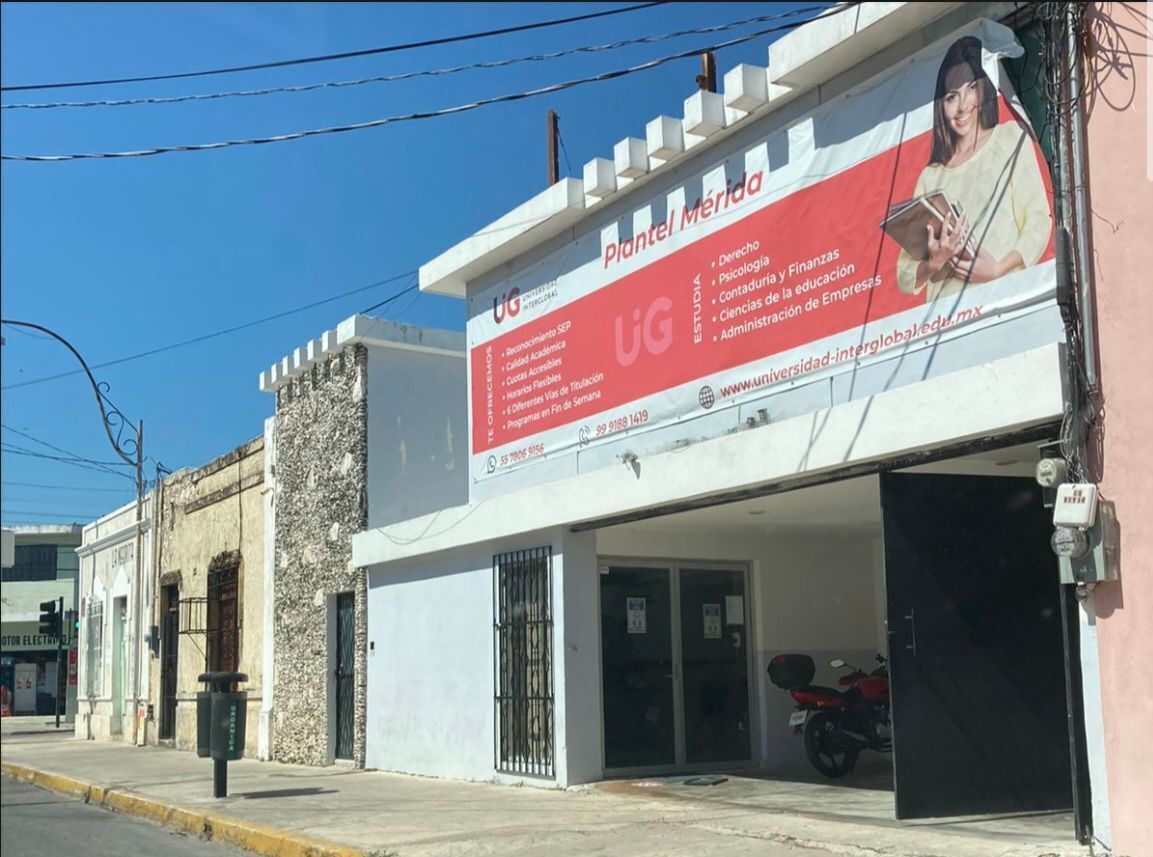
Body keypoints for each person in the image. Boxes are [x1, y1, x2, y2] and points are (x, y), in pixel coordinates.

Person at [896, 36, 1052, 302]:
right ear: (941, 106)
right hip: (945, 326)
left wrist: (996, 269)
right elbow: (905, 272)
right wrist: (934, 262)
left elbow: (1038, 221)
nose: (962, 106)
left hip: (1007, 304)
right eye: (951, 97)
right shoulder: (930, 177)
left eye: (970, 89)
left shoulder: (1009, 138)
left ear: (983, 91)